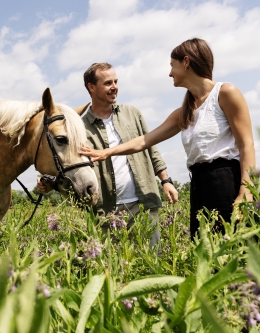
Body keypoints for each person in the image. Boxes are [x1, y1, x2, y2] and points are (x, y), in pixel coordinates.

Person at [81, 39, 255, 236]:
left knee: (237, 250)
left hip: (227, 182)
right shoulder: (185, 111)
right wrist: (107, 152)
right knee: (207, 255)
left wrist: (246, 190)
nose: (170, 72)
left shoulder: (225, 93)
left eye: (172, 65)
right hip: (199, 184)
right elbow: (145, 141)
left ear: (186, 62)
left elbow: (246, 144)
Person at [38, 62, 178, 246]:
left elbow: (151, 149)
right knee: (114, 269)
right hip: (107, 211)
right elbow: (71, 165)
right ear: (91, 87)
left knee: (153, 264)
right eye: (108, 83)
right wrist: (51, 183)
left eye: (116, 82)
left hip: (143, 203)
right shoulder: (80, 127)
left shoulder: (132, 114)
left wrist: (165, 181)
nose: (114, 87)